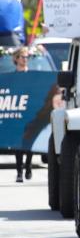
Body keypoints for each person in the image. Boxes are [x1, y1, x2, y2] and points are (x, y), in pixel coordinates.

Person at [10, 47, 32, 182]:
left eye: (26, 57)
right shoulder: (12, 78)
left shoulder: (32, 76)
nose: (25, 59)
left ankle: (28, 166)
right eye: (23, 57)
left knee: (29, 142)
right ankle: (19, 171)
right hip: (17, 112)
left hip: (29, 113)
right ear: (16, 59)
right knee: (18, 143)